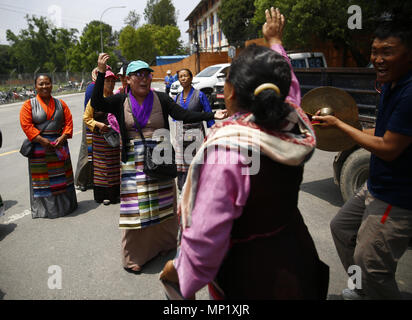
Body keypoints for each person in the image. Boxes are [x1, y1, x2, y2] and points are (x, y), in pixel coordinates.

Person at [159, 7, 329, 300]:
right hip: (297, 254)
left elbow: (206, 240)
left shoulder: (229, 151)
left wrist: (180, 272)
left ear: (231, 92)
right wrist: (275, 41)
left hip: (250, 275)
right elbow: (291, 89)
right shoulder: (291, 121)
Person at [91, 55, 228, 273]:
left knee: (163, 206)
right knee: (135, 212)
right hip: (132, 164)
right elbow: (97, 102)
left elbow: (183, 115)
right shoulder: (120, 101)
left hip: (160, 157)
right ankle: (134, 257)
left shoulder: (162, 99)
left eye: (147, 75)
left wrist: (212, 114)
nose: (144, 79)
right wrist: (100, 72)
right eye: (139, 75)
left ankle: (164, 246)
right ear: (127, 80)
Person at [313, 14, 412, 300]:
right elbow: (381, 130)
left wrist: (340, 126)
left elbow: (389, 148)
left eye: (387, 52)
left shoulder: (409, 94)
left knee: (373, 265)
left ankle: (372, 287)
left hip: (396, 196)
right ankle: (361, 288)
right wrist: (343, 124)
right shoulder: (390, 86)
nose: (377, 59)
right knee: (342, 229)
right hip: (377, 185)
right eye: (374, 51)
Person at [20, 74, 77, 218]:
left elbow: (68, 123)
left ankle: (66, 208)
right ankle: (44, 210)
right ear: (35, 87)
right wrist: (40, 139)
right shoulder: (28, 105)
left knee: (63, 178)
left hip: (59, 146)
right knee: (42, 181)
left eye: (47, 83)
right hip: (39, 149)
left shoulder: (61, 104)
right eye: (41, 84)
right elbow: (26, 125)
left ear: (52, 85)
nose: (44, 86)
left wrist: (63, 137)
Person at [174, 68, 215, 191]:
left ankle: (198, 187)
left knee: (196, 161)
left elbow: (208, 113)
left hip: (196, 133)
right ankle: (183, 188)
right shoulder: (177, 97)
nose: (183, 78)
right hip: (181, 135)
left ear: (191, 78)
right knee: (182, 164)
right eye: (181, 76)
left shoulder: (200, 95)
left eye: (186, 76)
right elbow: (175, 118)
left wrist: (212, 132)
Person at [84, 69, 120, 205]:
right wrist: (98, 124)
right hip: (100, 138)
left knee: (115, 166)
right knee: (101, 167)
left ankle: (116, 194)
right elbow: (86, 118)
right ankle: (103, 195)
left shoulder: (117, 97)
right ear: (102, 82)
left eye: (112, 81)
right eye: (107, 80)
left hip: (114, 138)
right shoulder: (95, 98)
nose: (110, 83)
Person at [74, 67, 99, 192]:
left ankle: (93, 179)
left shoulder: (102, 86)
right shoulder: (93, 87)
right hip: (91, 121)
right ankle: (82, 180)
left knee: (97, 152)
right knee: (87, 152)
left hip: (99, 121)